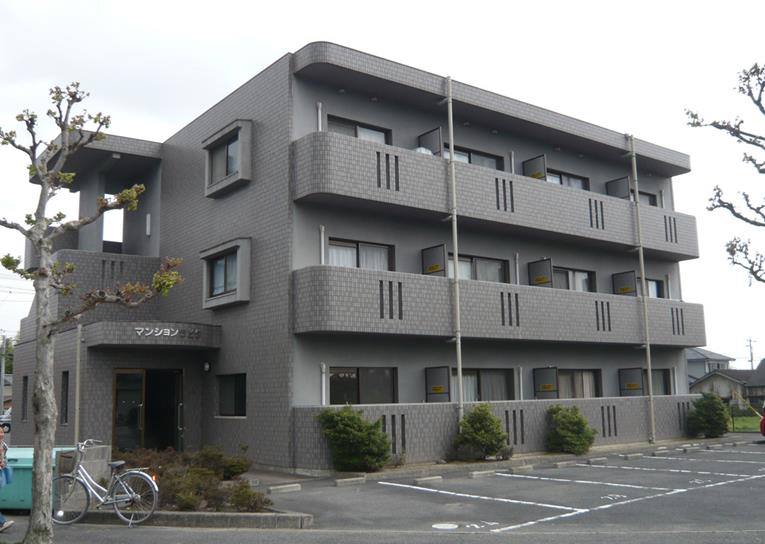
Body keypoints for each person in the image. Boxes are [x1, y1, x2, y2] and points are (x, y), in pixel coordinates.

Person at [0, 427, 13, 533]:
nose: (1, 434)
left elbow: (4, 459)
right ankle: (1, 523)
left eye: (2, 432)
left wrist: (3, 463)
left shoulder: (3, 445)